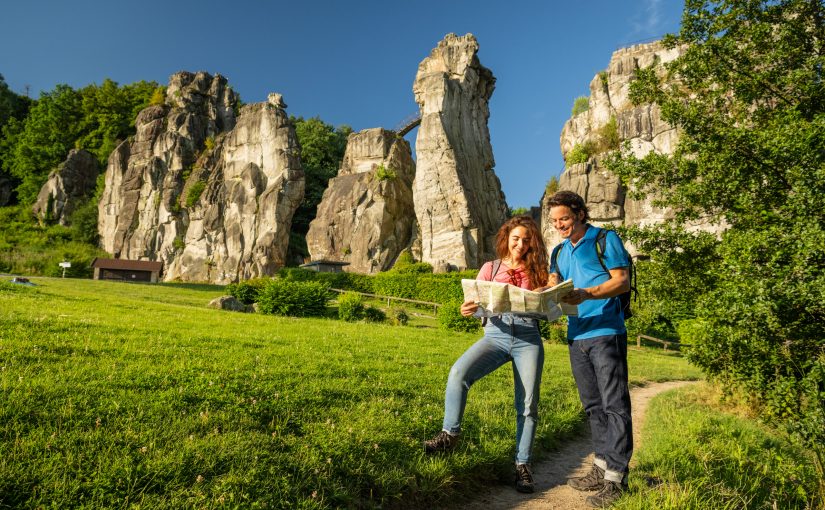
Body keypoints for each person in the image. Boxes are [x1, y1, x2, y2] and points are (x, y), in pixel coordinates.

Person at [423, 215, 550, 493]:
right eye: (516, 238)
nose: (520, 244)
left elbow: (551, 308)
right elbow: (474, 304)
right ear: (506, 238)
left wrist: (547, 292)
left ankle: (523, 466)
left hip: (528, 338)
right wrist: (466, 309)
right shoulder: (490, 268)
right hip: (496, 335)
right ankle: (449, 434)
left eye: (526, 240)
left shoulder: (540, 269)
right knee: (459, 372)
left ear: (533, 243)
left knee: (528, 404)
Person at [546, 191, 632, 508]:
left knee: (615, 405)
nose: (559, 226)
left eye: (564, 219)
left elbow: (621, 281)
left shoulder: (604, 239)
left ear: (581, 213)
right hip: (576, 334)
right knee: (593, 406)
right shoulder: (558, 252)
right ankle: (600, 466)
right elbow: (554, 286)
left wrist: (587, 293)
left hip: (606, 331)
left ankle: (616, 480)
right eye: (555, 221)